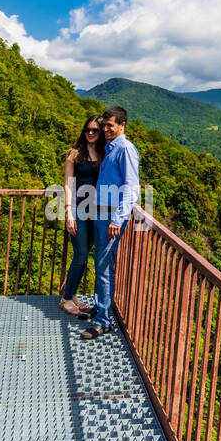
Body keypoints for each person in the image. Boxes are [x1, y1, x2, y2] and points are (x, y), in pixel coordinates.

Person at [80, 106, 140, 341]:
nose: (105, 129)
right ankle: (98, 308)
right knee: (101, 263)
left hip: (111, 217)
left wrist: (117, 218)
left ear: (122, 125)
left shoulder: (125, 149)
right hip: (101, 213)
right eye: (104, 125)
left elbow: (132, 187)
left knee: (105, 267)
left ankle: (103, 322)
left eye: (110, 125)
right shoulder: (110, 148)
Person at [58, 115, 104, 316]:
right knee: (80, 255)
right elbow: (68, 184)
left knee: (85, 255)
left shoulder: (104, 153)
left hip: (96, 210)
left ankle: (72, 294)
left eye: (95, 130)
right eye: (88, 129)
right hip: (78, 209)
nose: (91, 133)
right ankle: (66, 298)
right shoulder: (74, 154)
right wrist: (69, 213)